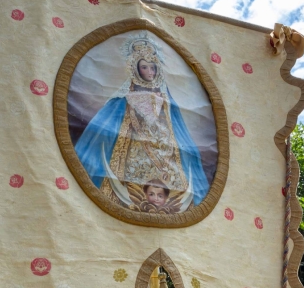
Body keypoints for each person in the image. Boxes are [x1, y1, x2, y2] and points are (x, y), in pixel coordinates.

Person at [74, 34, 210, 213]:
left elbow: (177, 127)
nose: (149, 72)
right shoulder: (124, 96)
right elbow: (107, 123)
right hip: (133, 148)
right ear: (136, 70)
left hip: (164, 148)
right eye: (144, 67)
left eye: (152, 67)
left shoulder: (165, 98)